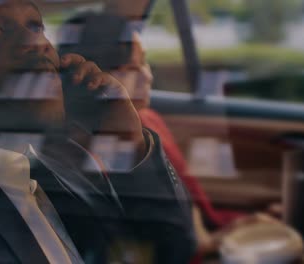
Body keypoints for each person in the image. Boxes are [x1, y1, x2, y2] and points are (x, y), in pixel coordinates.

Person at [0, 0, 196, 263]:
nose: (37, 45)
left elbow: (170, 254)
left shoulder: (63, 168)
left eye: (35, 25)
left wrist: (130, 141)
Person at [58, 11, 282, 259]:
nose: (147, 75)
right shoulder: (113, 143)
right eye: (132, 68)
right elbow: (150, 235)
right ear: (97, 76)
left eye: (145, 62)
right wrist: (219, 241)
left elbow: (189, 204)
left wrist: (237, 226)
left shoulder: (151, 120)